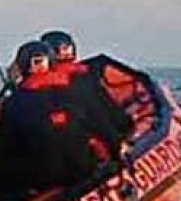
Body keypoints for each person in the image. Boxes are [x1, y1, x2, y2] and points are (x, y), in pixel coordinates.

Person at [0, 41, 100, 201]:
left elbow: (0, 146)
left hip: (41, 178)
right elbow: (101, 125)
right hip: (81, 169)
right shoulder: (78, 92)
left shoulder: (15, 103)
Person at [39, 30, 135, 159]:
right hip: (88, 150)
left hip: (60, 155)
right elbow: (102, 115)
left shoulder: (37, 86)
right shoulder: (84, 79)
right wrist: (119, 142)